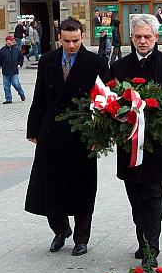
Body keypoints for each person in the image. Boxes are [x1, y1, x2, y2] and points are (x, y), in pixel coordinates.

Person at [106, 14, 162, 268]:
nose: (142, 41)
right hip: (128, 144)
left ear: (156, 38)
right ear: (131, 38)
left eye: (147, 37)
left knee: (152, 194)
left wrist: (148, 111)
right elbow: (110, 99)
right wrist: (122, 115)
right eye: (138, 36)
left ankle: (152, 246)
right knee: (134, 194)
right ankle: (142, 240)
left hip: (157, 144)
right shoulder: (119, 67)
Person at [26, 18, 108, 257]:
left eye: (76, 41)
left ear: (82, 37)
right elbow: (40, 95)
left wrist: (100, 134)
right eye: (67, 41)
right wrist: (33, 129)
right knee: (49, 184)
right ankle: (60, 230)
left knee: (83, 187)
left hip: (82, 133)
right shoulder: (47, 61)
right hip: (51, 130)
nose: (71, 45)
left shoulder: (95, 63)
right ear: (59, 38)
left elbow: (105, 100)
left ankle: (82, 238)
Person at [0, 35, 25, 104]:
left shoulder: (17, 50)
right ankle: (8, 99)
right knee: (6, 86)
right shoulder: (2, 50)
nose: (12, 41)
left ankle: (21, 93)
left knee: (16, 83)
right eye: (11, 40)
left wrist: (20, 64)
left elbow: (21, 58)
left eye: (12, 40)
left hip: (14, 70)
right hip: (5, 71)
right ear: (7, 41)